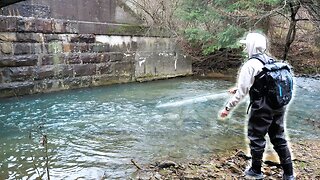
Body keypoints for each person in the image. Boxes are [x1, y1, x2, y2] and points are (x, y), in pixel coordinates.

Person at [219, 32, 294, 180]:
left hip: (262, 108)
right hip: (278, 106)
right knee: (279, 138)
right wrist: (239, 88)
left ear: (251, 46)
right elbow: (264, 82)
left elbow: (241, 94)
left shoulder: (250, 64)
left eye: (246, 45)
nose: (245, 48)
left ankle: (255, 171)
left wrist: (227, 109)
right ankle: (289, 174)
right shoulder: (271, 60)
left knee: (256, 138)